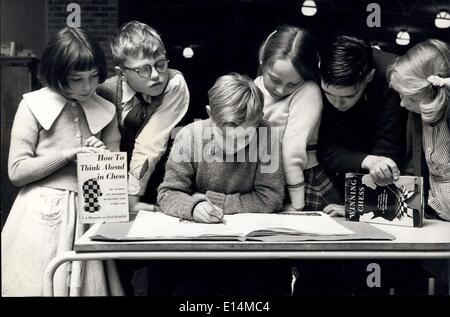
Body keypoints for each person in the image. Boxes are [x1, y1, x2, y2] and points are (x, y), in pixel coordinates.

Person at [1, 27, 122, 296]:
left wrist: (101, 157)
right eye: (77, 79)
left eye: (93, 77)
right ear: (56, 74)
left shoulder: (106, 108)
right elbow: (17, 171)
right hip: (39, 216)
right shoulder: (32, 105)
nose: (88, 86)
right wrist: (68, 155)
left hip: (90, 210)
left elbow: (114, 169)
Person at [157, 73, 291, 295]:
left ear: (259, 120)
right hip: (197, 249)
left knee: (260, 285)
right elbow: (168, 193)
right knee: (188, 286)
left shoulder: (267, 136)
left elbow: (271, 197)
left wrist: (214, 202)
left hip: (251, 250)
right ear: (210, 115)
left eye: (245, 137)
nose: (235, 145)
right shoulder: (189, 136)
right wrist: (193, 207)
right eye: (226, 136)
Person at [97, 21, 189, 211]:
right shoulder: (104, 92)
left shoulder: (174, 83)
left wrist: (132, 197)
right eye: (144, 69)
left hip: (165, 182)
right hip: (114, 187)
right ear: (121, 74)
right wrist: (116, 200)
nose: (156, 75)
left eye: (160, 64)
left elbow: (150, 143)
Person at [318, 36, 407, 216]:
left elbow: (389, 147)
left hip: (383, 156)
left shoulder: (392, 74)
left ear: (369, 77)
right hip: (338, 162)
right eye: (328, 93)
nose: (337, 103)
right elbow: (321, 145)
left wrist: (362, 207)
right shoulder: (316, 68)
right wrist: (369, 160)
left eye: (348, 96)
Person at [255, 25, 340, 211]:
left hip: (302, 181)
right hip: (266, 178)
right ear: (263, 60)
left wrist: (297, 205)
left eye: (292, 84)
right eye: (275, 79)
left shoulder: (308, 91)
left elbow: (292, 151)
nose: (280, 90)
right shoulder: (253, 87)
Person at [388, 39, 450, 221]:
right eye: (400, 95)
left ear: (434, 95)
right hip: (438, 218)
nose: (402, 104)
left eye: (411, 99)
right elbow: (413, 171)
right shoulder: (416, 117)